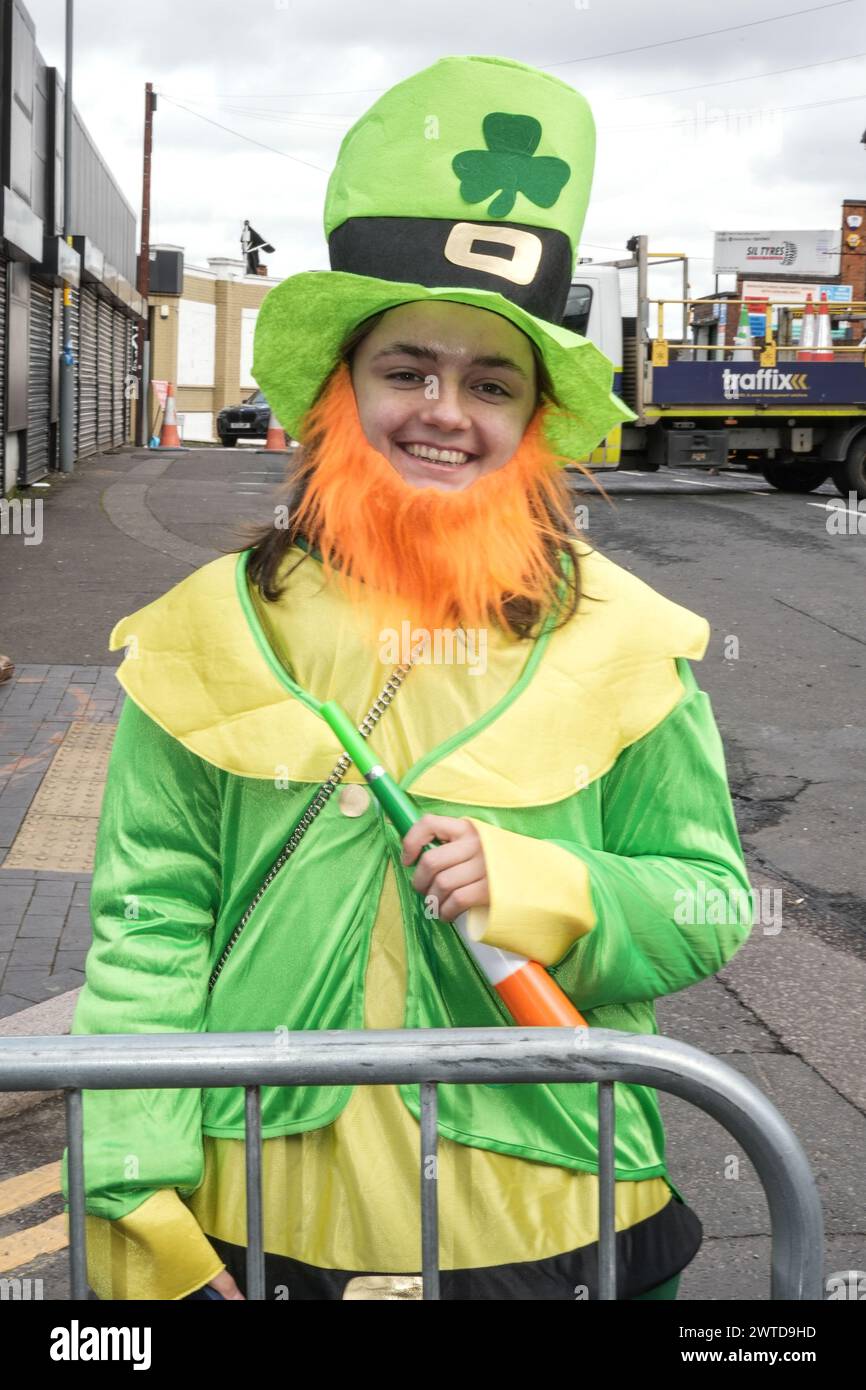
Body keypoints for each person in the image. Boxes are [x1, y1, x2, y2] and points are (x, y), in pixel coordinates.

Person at [62, 54, 752, 1301]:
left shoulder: (627, 637)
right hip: (261, 1207)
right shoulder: (212, 629)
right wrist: (129, 1186)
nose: (445, 410)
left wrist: (551, 888)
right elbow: (146, 928)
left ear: (533, 419)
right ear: (342, 393)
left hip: (554, 1212)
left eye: (491, 383)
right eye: (407, 370)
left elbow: (708, 903)